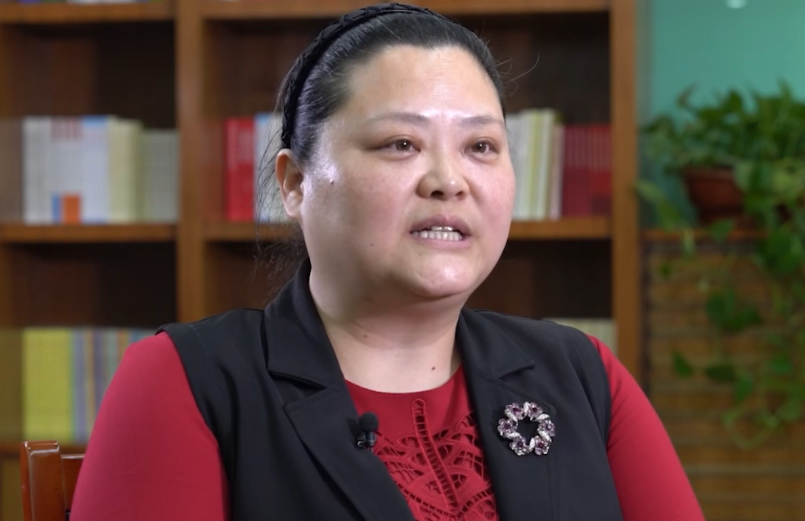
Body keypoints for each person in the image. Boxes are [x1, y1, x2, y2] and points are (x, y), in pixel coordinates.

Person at [69, 3, 705, 520]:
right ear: (295, 183)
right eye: (401, 143)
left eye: (482, 146)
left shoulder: (581, 375)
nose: (449, 180)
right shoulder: (189, 381)